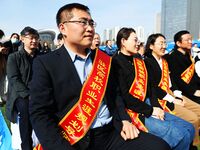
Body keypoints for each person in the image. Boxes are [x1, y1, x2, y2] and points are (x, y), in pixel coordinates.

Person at [29, 3, 170, 150]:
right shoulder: (46, 63)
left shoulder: (103, 60)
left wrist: (125, 120)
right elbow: (40, 114)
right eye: (82, 22)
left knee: (160, 146)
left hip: (112, 133)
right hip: (74, 140)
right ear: (63, 28)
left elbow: (115, 95)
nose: (90, 28)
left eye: (91, 23)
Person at [112, 27, 194, 150]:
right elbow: (125, 97)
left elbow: (150, 87)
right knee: (179, 135)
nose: (138, 43)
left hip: (150, 104)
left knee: (189, 128)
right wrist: (151, 110)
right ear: (123, 41)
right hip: (133, 109)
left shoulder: (139, 60)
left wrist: (156, 106)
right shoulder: (115, 63)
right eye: (135, 40)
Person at [144, 33, 199, 148]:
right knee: (193, 119)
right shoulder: (147, 62)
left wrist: (177, 96)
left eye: (164, 43)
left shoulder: (164, 61)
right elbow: (153, 87)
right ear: (151, 46)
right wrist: (173, 100)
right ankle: (192, 145)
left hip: (172, 94)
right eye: (160, 43)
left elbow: (171, 82)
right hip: (162, 98)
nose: (164, 46)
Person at [6, 26, 41, 150]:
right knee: (26, 110)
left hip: (39, 93)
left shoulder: (42, 57)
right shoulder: (14, 57)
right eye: (31, 38)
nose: (34, 41)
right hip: (20, 95)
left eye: (36, 38)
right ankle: (26, 145)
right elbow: (14, 79)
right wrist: (28, 95)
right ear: (22, 39)